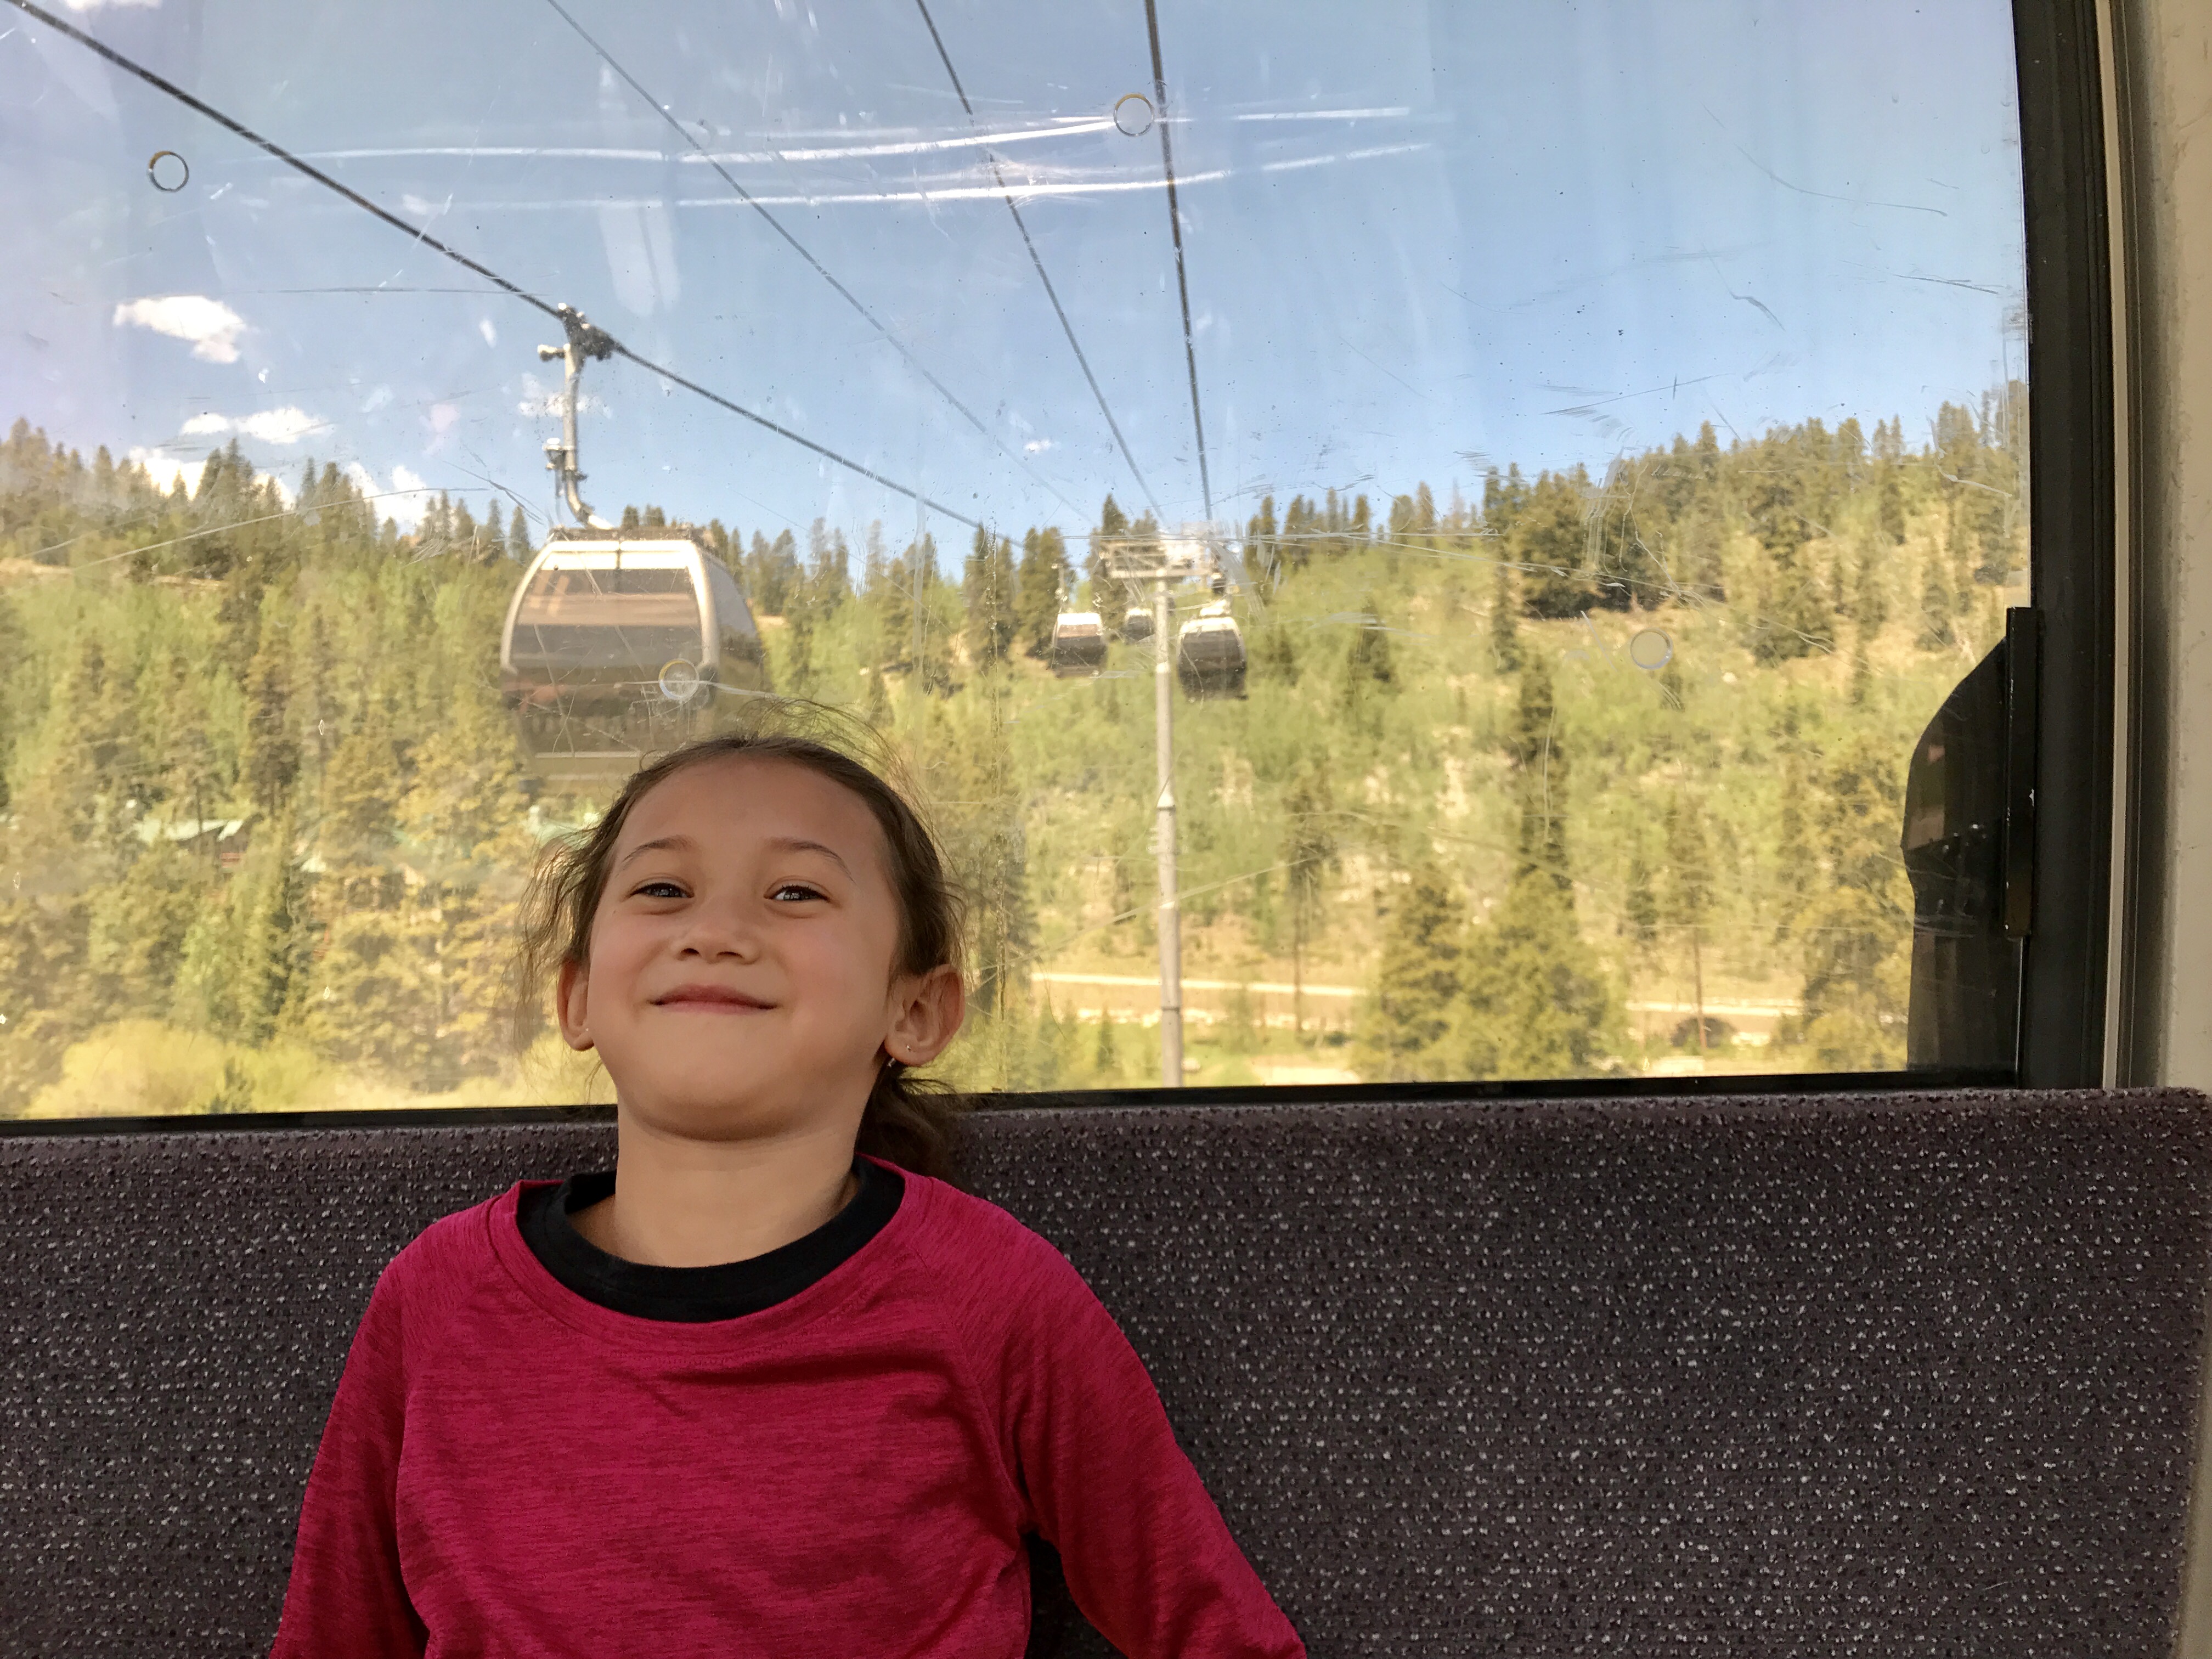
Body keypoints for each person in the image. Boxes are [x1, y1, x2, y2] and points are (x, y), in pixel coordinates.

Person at [270, 724, 1305, 1658]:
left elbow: (1212, 1631)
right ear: (578, 994)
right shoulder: (437, 1298)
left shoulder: (994, 1298)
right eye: (663, 890)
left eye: (795, 893)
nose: (715, 930)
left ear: (916, 1011)